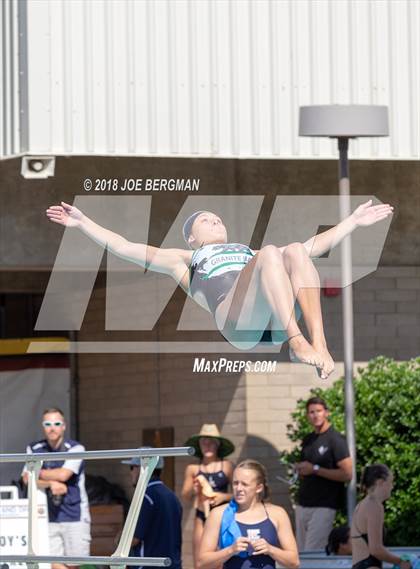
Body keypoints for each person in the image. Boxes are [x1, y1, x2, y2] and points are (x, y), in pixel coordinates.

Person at [46, 199, 393, 378]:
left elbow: (312, 248)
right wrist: (83, 223)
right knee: (273, 251)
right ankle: (297, 341)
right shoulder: (182, 258)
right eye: (205, 220)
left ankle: (318, 342)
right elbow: (124, 246)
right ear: (191, 236)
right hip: (236, 322)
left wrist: (353, 222)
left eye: (218, 218)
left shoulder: (249, 253)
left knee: (295, 250)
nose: (215, 221)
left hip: (268, 317)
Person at [197, 459, 299, 569]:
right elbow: (202, 563)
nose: (239, 488)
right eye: (235, 483)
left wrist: (270, 549)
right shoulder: (218, 514)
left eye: (245, 484)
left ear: (259, 487)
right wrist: (231, 550)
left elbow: (294, 562)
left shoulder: (277, 514)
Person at [22, 408, 91, 569]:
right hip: (47, 515)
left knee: (75, 565)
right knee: (51, 563)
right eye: (48, 423)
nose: (52, 427)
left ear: (64, 426)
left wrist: (38, 473)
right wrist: (49, 484)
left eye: (57, 423)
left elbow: (63, 475)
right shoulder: (34, 448)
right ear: (42, 426)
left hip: (75, 514)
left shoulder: (76, 448)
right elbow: (26, 479)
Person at [294, 396, 352, 551]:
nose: (315, 415)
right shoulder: (308, 440)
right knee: (300, 553)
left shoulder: (336, 439)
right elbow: (307, 468)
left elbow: (347, 474)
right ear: (307, 416)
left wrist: (315, 469)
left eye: (319, 411)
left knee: (313, 552)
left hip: (324, 505)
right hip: (303, 503)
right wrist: (300, 469)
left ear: (326, 413)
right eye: (311, 412)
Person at [182, 424, 234, 569]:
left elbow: (239, 493)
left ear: (218, 445)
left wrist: (223, 497)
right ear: (199, 445)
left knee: (222, 558)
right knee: (200, 560)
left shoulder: (227, 466)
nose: (207, 445)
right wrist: (195, 488)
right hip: (202, 516)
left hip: (223, 516)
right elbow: (185, 495)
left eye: (211, 442)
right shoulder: (193, 468)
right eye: (204, 442)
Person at [122, 451, 183, 569]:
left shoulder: (144, 497)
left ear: (142, 469)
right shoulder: (173, 497)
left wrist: (119, 539)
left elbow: (133, 539)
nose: (131, 473)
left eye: (132, 467)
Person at [351, 465, 411, 569]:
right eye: (391, 482)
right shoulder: (374, 506)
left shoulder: (362, 504)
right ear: (380, 482)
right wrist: (401, 562)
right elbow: (375, 549)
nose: (392, 487)